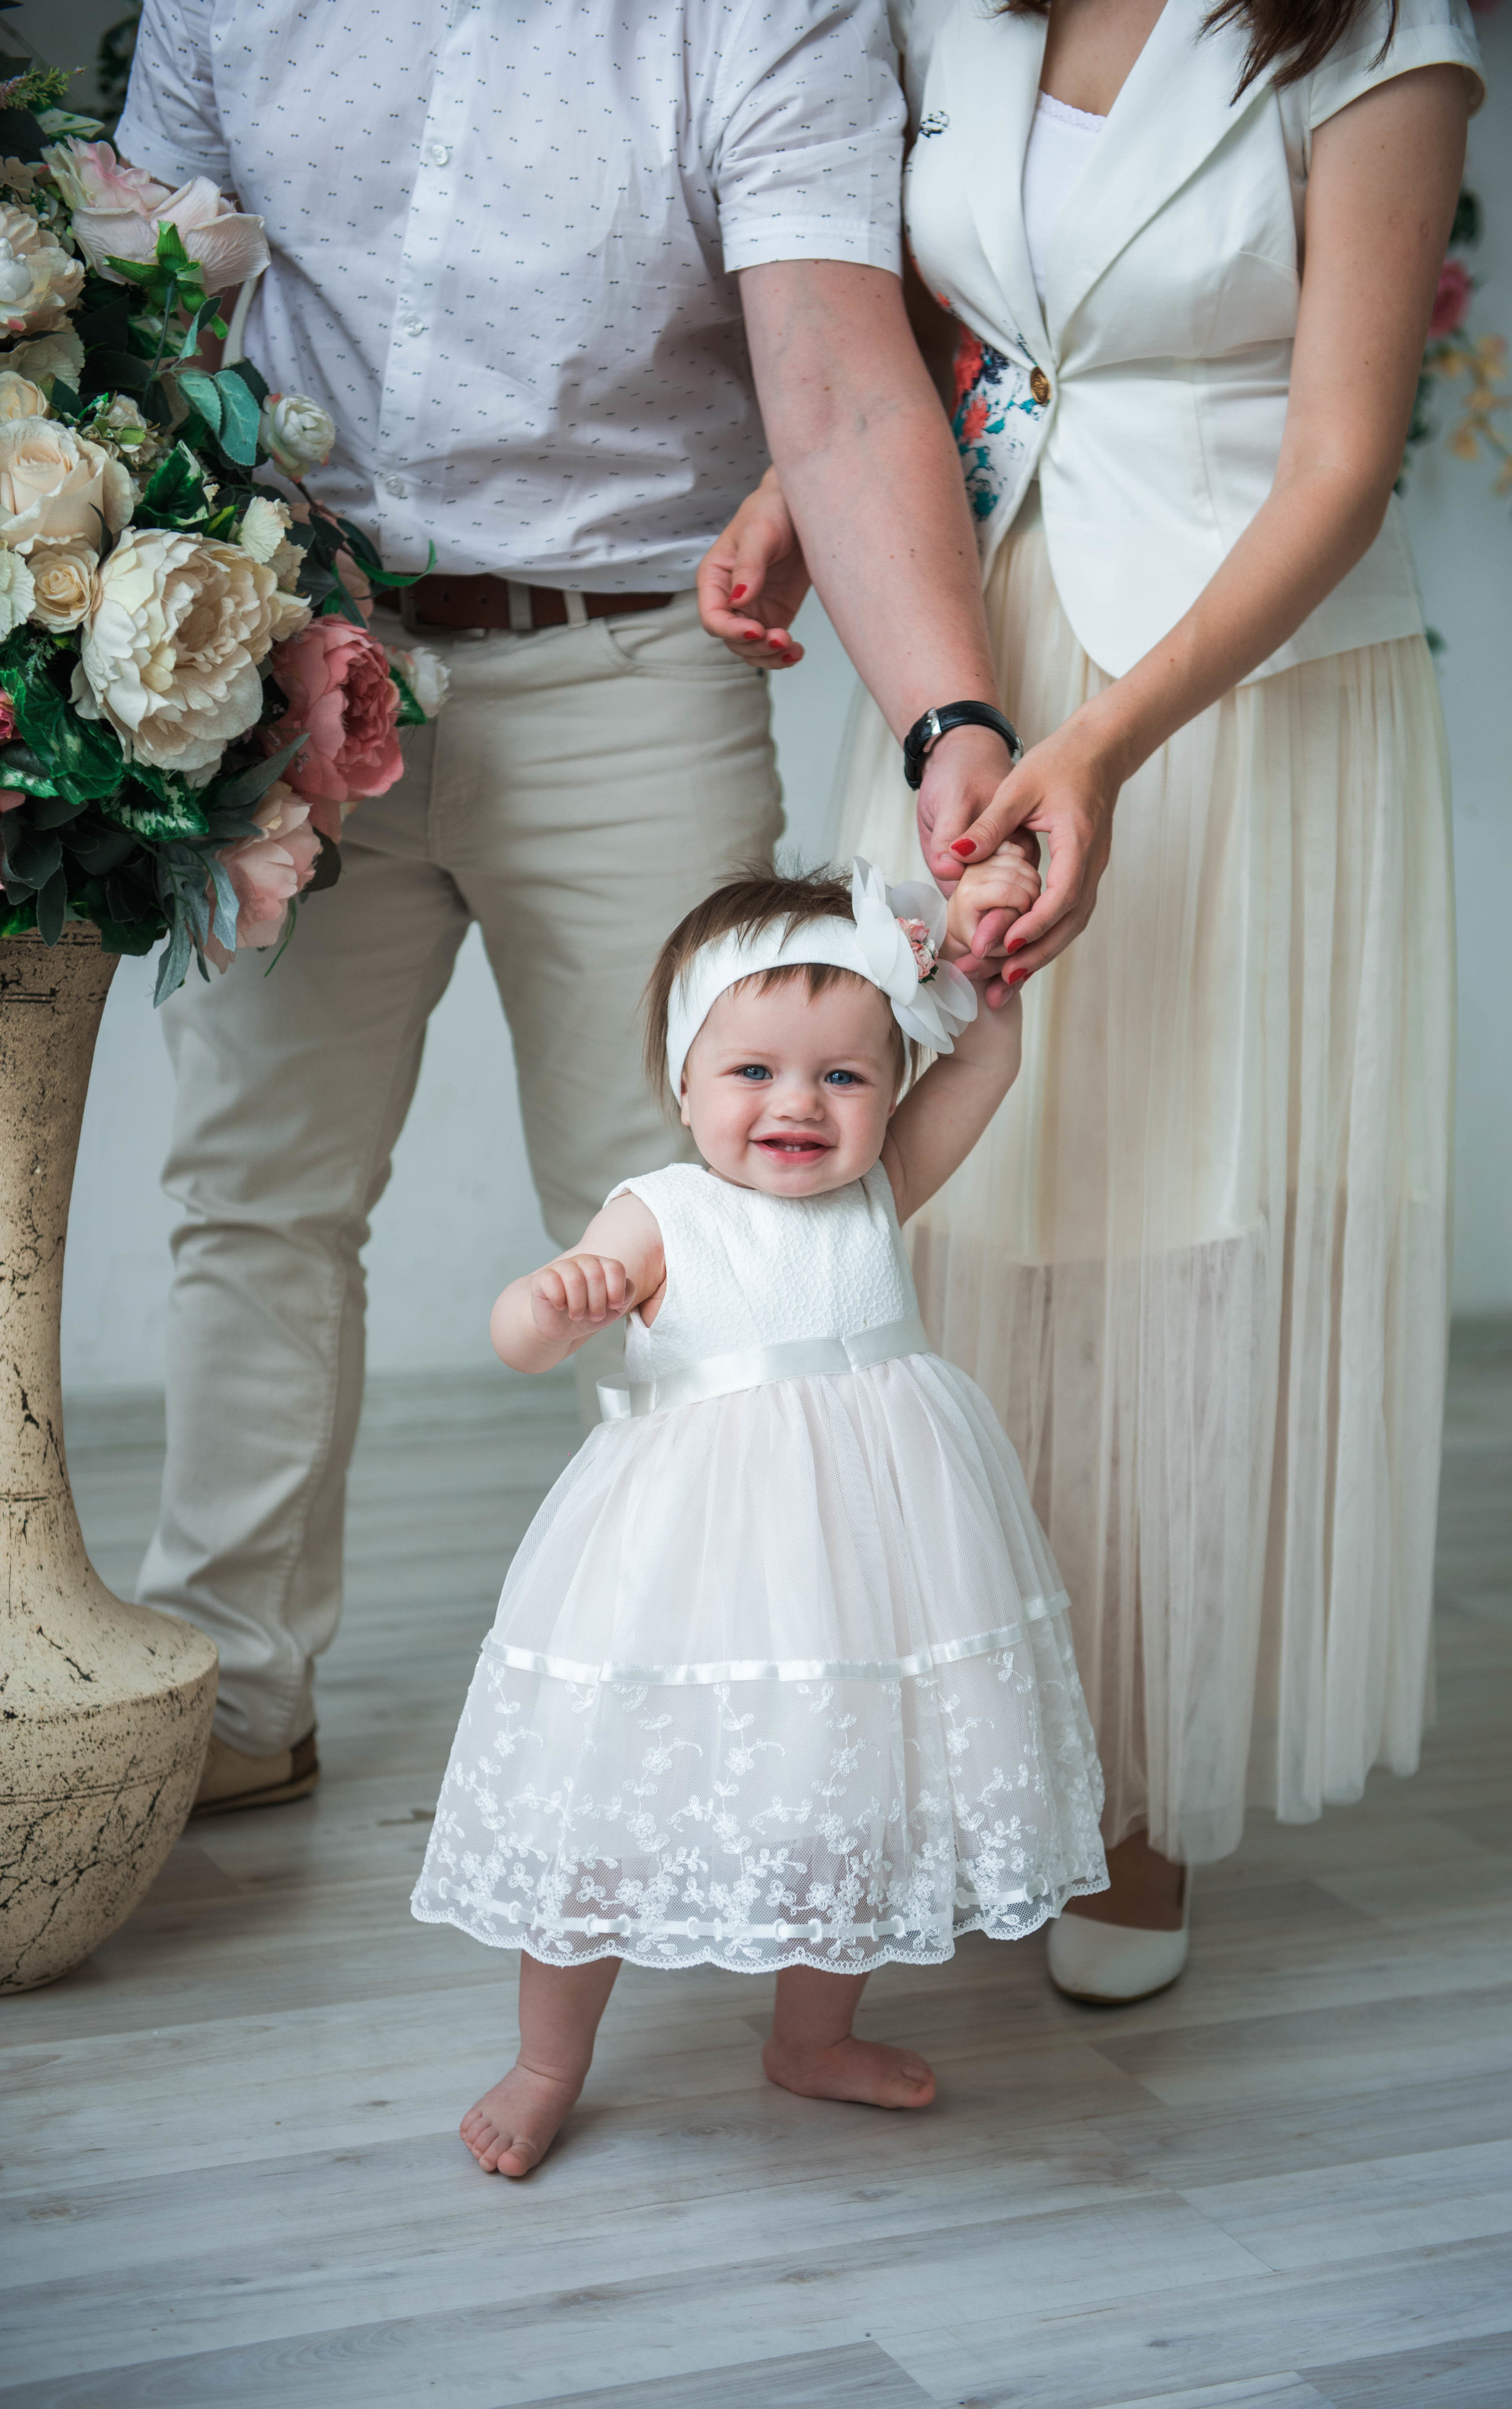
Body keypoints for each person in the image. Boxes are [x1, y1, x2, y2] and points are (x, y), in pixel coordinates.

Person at [115, 0, 1025, 1813]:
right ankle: (232, 1695)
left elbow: (842, 383)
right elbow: (149, 295)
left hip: (626, 664)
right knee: (254, 1194)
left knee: (704, 1228)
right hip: (287, 641)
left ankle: (709, 1716)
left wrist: (957, 720)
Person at [699, 0, 1483, 2000]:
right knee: (952, 1209)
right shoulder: (956, 9)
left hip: (1235, 699)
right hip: (974, 646)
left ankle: (1132, 1791)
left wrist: (1111, 750)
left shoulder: (1382, 34)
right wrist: (825, 491)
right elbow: (986, 337)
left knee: (1157, 1214)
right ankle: (948, 1729)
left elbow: (1343, 461)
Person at [411, 855, 1107, 2176]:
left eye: (843, 1075)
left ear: (891, 1086)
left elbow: (984, 1069)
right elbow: (518, 1332)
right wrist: (550, 1306)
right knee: (603, 1812)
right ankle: (548, 2057)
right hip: (690, 1568)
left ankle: (810, 2038)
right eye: (752, 1072)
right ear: (683, 1081)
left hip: (872, 1564)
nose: (797, 1103)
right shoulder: (662, 1211)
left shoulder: (876, 1190)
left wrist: (989, 991)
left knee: (840, 1802)